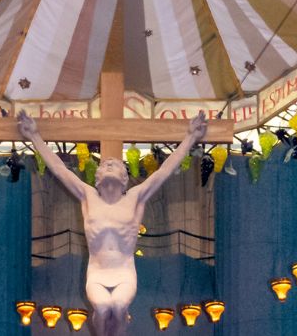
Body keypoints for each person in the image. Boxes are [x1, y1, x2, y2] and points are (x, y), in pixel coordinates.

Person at [18, 110, 208, 336]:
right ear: (97, 177)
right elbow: (59, 170)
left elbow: (164, 172)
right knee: (102, 306)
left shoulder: (135, 196)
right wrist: (34, 135)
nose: (108, 164)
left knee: (118, 306)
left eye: (114, 164)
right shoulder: (87, 195)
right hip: (97, 274)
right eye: (105, 164)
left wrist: (190, 137)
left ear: (124, 177)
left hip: (124, 273)